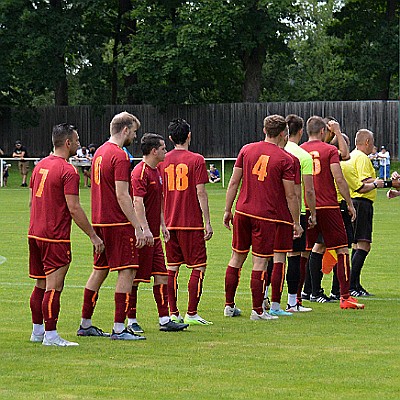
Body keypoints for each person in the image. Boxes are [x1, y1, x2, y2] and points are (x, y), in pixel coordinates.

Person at [28, 123, 104, 347]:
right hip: (54, 236)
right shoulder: (68, 171)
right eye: (78, 140)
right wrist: (93, 235)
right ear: (68, 143)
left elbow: (32, 201)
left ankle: (37, 331)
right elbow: (74, 208)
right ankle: (51, 336)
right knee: (54, 286)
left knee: (41, 284)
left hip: (35, 233)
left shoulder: (39, 166)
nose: (79, 144)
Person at [223, 114, 303, 320]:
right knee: (260, 262)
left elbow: (233, 182)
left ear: (264, 130)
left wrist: (227, 209)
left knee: (236, 258)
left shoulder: (246, 149)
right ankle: (258, 311)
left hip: (242, 211)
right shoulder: (285, 159)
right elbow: (290, 194)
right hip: (265, 216)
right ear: (283, 133)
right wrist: (296, 222)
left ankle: (229, 305)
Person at [77, 111, 147, 341]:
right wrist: (137, 226)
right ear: (125, 130)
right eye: (134, 132)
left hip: (99, 221)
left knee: (99, 271)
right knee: (127, 270)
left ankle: (85, 323)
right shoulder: (120, 155)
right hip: (117, 222)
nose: (135, 137)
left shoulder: (99, 153)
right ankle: (119, 328)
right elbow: (122, 195)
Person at [300, 116, 364, 310]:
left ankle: (298, 297)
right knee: (342, 249)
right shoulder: (328, 150)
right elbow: (340, 172)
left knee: (307, 251)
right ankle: (345, 296)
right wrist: (349, 203)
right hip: (328, 205)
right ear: (323, 132)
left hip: (306, 206)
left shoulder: (300, 150)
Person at [128, 133, 189, 332]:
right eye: (163, 148)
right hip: (142, 237)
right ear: (154, 151)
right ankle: (131, 321)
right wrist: (143, 229)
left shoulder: (157, 171)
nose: (166, 151)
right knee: (134, 279)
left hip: (154, 235)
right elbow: (137, 203)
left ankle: (164, 319)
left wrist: (162, 224)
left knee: (162, 275)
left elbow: (158, 202)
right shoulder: (140, 172)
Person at [161, 118, 213, 326]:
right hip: (191, 222)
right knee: (198, 267)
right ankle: (192, 312)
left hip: (169, 222)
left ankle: (173, 312)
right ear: (189, 136)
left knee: (172, 268)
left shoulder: (162, 159)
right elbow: (200, 191)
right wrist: (207, 221)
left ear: (171, 138)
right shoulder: (197, 160)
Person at [282, 114, 316, 312]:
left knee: (271, 255)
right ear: (301, 131)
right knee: (294, 255)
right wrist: (312, 213)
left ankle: (267, 298)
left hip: (275, 209)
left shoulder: (277, 150)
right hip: (296, 211)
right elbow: (308, 190)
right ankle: (293, 302)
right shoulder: (303, 155)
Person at [346, 130, 385, 296]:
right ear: (367, 141)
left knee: (357, 244)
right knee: (364, 244)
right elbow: (364, 181)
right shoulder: (361, 157)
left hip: (357, 203)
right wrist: (381, 182)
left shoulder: (353, 155)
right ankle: (352, 285)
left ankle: (354, 284)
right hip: (362, 202)